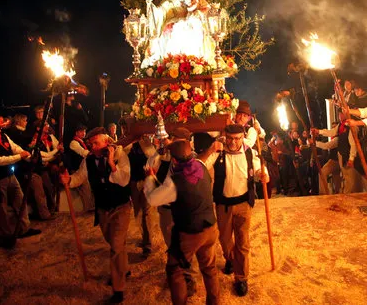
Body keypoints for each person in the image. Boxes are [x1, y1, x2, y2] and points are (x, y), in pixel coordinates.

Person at [144, 138, 220, 305]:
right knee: (209, 269)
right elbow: (208, 156)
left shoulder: (174, 182)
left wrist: (150, 178)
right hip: (210, 227)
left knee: (175, 270)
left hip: (190, 233)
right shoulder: (201, 164)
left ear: (175, 160)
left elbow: (152, 199)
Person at [60, 127, 132, 304]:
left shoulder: (120, 156)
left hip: (121, 206)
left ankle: (118, 288)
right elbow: (80, 176)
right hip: (103, 208)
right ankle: (124, 268)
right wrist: (69, 180)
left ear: (107, 143)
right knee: (114, 242)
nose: (92, 147)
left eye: (96, 143)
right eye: (91, 143)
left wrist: (111, 162)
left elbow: (124, 180)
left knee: (115, 246)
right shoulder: (89, 160)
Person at [202, 124, 268, 297]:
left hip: (244, 204)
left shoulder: (249, 152)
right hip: (223, 205)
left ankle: (241, 278)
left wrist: (263, 173)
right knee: (224, 239)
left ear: (242, 137)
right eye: (230, 138)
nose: (233, 142)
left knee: (243, 242)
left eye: (237, 138)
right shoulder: (218, 152)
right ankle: (231, 258)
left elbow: (260, 167)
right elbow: (201, 165)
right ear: (225, 137)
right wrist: (210, 149)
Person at [143, 0, 216, 66]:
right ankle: (171, 64)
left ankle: (193, 64)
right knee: (168, 31)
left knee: (192, 28)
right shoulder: (170, 0)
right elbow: (160, 13)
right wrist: (150, 4)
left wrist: (196, 14)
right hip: (173, 28)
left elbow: (206, 9)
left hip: (191, 27)